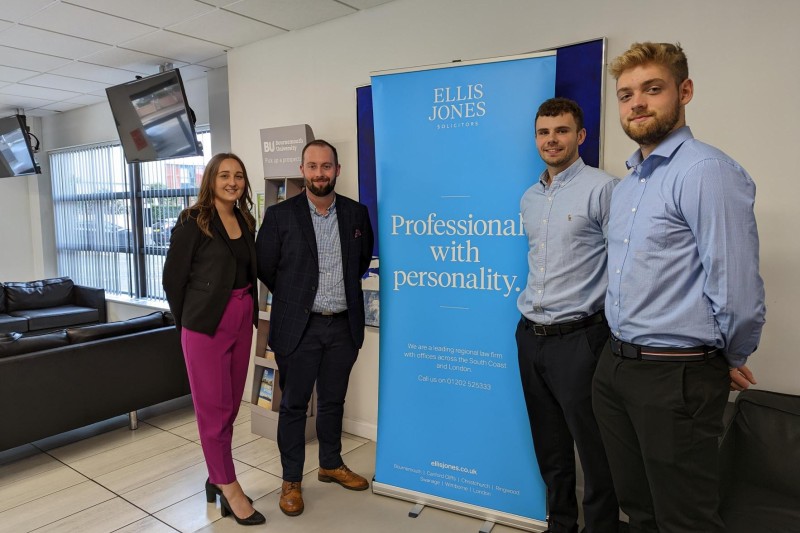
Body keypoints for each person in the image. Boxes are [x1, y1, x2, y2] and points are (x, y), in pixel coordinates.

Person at [593, 42, 766, 533]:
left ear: (684, 91)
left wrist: (725, 359)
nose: (637, 103)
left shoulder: (706, 171)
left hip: (675, 377)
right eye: (626, 94)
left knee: (685, 519)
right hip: (617, 367)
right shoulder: (627, 184)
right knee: (639, 509)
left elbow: (736, 288)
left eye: (653, 89)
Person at [515, 98, 619, 533]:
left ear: (580, 136)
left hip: (581, 338)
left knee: (595, 450)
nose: (551, 139)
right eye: (543, 132)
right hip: (531, 336)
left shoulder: (604, 188)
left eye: (560, 131)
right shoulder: (530, 197)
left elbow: (626, 265)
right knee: (550, 446)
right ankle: (560, 524)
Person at [256, 139, 374, 517]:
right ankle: (291, 478)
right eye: (312, 166)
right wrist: (297, 299)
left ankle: (331, 463)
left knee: (334, 400)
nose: (320, 173)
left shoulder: (357, 214)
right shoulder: (280, 215)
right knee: (293, 406)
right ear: (302, 170)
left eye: (327, 166)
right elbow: (266, 267)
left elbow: (358, 264)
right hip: (299, 328)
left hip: (342, 324)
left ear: (337, 170)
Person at [163, 153, 265, 526]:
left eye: (238, 175)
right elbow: (173, 279)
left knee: (230, 406)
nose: (232, 182)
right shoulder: (194, 221)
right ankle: (228, 485)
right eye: (224, 175)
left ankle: (214, 477)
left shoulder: (244, 219)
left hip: (241, 316)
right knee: (213, 411)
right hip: (205, 324)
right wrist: (187, 322)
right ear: (210, 179)